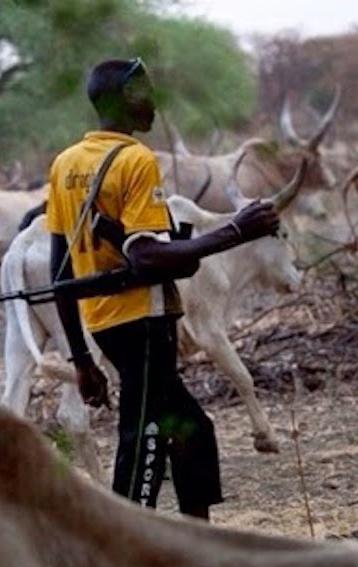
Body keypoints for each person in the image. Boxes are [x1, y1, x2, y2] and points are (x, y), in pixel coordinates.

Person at [45, 57, 279, 521]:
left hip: (106, 325)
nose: (153, 101)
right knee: (144, 440)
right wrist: (237, 230)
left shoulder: (66, 164)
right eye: (145, 91)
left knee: (192, 431)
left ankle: (196, 538)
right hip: (144, 323)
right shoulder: (134, 160)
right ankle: (128, 543)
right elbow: (146, 257)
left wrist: (82, 358)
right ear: (125, 98)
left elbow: (61, 269)